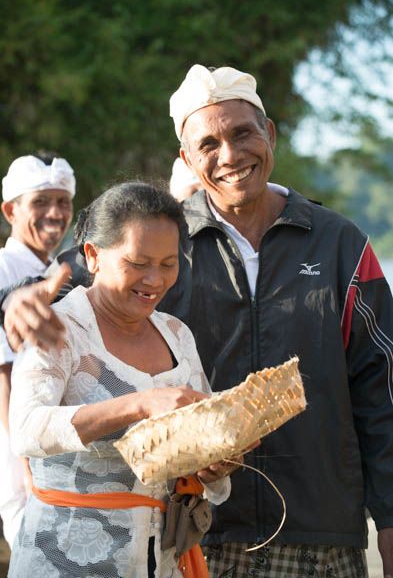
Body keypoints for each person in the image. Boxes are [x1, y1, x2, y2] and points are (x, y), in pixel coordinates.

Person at [3, 65, 393, 577]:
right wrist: (15, 303)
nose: (229, 155)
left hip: (323, 535)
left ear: (269, 134)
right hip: (196, 542)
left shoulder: (340, 244)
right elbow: (74, 277)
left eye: (242, 133)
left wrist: (387, 530)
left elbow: (381, 394)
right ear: (187, 158)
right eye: (208, 144)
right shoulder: (159, 236)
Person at [7, 182, 236, 578]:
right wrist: (140, 403)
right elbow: (27, 430)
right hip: (59, 561)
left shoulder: (177, 335)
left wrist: (213, 464)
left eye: (168, 263)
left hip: (158, 562)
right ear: (93, 256)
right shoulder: (60, 328)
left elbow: (197, 445)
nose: (155, 280)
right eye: (138, 262)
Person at [0, 154, 75, 547]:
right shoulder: (3, 271)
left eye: (63, 201)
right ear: (11, 210)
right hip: (21, 456)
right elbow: (4, 376)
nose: (55, 212)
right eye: (41, 202)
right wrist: (26, 468)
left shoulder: (58, 273)